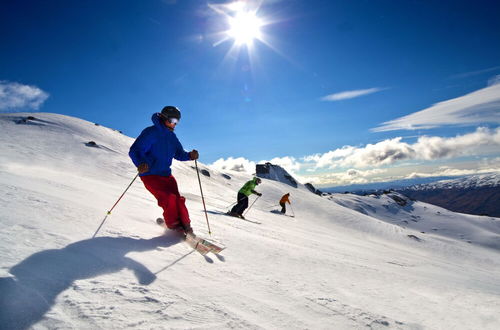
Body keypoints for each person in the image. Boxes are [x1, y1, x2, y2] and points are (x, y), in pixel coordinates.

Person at [129, 106, 199, 235]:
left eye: (177, 121)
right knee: (169, 198)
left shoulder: (172, 137)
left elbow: (179, 153)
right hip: (150, 174)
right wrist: (141, 163)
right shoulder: (152, 132)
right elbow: (136, 150)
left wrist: (190, 156)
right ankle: (174, 225)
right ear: (163, 117)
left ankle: (186, 226)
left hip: (166, 175)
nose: (174, 124)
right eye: (172, 120)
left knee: (178, 200)